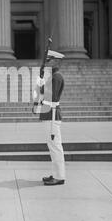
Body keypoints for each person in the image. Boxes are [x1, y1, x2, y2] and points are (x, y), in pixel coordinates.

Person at [35, 52, 66, 186]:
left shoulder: (56, 77)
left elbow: (50, 96)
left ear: (56, 62)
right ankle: (56, 174)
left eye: (50, 60)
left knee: (55, 146)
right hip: (49, 114)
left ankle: (59, 177)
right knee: (52, 146)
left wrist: (41, 86)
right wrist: (41, 84)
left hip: (52, 115)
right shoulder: (53, 76)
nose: (47, 62)